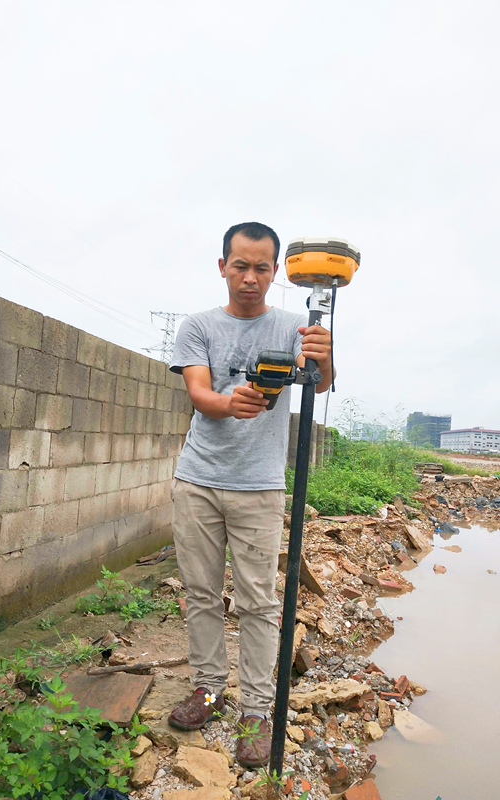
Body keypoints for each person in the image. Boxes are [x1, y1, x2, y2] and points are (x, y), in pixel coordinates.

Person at [166, 221, 332, 768]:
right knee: (201, 592)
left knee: (258, 601)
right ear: (223, 267)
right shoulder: (198, 326)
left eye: (262, 268)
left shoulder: (293, 326)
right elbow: (198, 392)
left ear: (276, 271)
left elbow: (319, 382)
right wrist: (227, 402)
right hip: (198, 480)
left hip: (259, 487)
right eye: (240, 265)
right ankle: (209, 689)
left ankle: (257, 710)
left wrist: (324, 354)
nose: (250, 278)